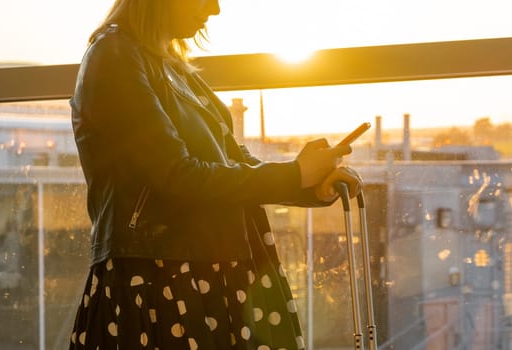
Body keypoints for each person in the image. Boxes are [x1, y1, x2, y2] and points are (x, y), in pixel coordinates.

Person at [68, 0, 363, 349]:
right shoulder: (114, 56)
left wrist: (310, 184)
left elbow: (232, 160)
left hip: (190, 272)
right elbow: (179, 176)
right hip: (159, 277)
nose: (215, 10)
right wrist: (294, 175)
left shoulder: (167, 64)